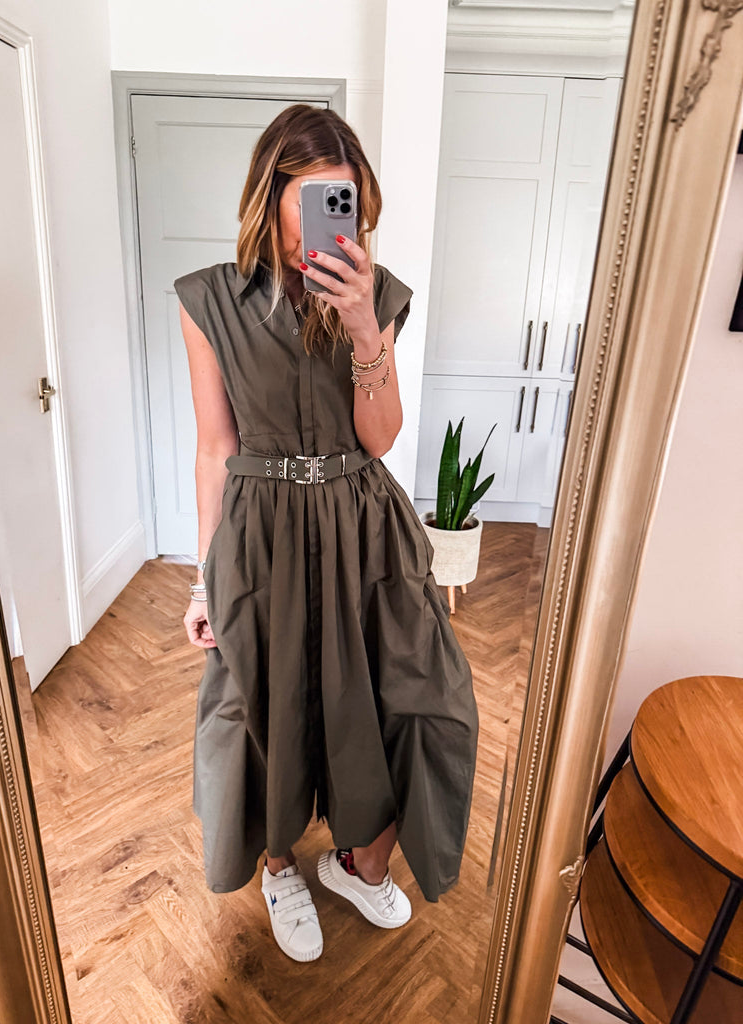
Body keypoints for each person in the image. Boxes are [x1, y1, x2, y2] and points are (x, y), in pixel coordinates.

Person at [174, 104, 478, 963]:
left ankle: (358, 861)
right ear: (270, 194)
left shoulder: (376, 295)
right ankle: (280, 868)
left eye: (344, 200)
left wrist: (361, 326)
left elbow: (379, 439)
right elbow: (215, 448)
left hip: (364, 528)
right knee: (272, 705)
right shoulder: (209, 300)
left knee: (420, 701)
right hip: (263, 534)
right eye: (313, 197)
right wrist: (203, 581)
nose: (330, 218)